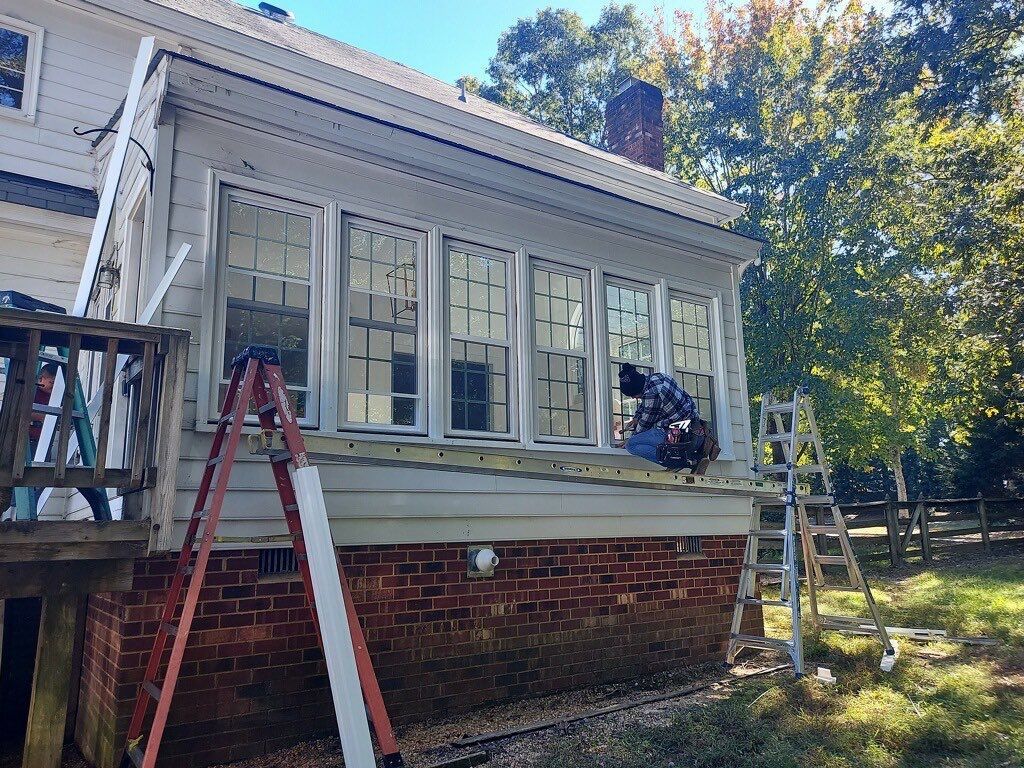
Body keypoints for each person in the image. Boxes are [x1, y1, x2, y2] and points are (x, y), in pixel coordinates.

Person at [613, 363, 701, 468]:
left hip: (678, 434)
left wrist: (631, 438)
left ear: (637, 389)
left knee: (631, 445)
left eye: (633, 395)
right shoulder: (657, 378)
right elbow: (645, 403)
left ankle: (678, 461)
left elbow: (646, 423)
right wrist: (636, 418)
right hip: (692, 424)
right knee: (638, 438)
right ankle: (689, 453)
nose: (634, 398)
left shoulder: (652, 394)